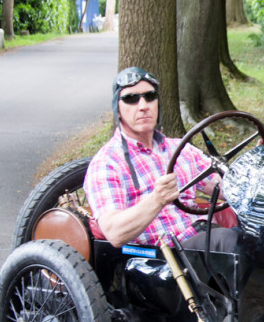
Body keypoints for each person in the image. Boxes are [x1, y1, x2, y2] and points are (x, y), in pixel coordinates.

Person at [84, 67, 238, 252]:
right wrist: (157, 200)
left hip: (208, 238)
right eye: (131, 99)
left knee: (263, 239)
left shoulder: (181, 149)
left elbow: (224, 189)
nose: (143, 106)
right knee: (231, 243)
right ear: (117, 110)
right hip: (166, 258)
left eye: (149, 97)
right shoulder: (106, 163)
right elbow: (115, 233)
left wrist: (253, 170)